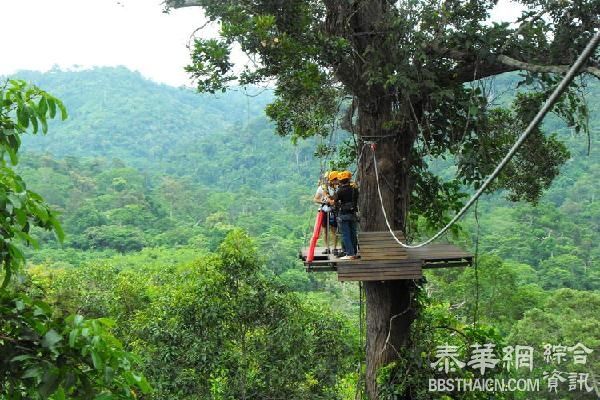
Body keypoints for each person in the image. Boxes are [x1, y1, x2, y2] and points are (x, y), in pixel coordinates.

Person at [330, 170, 358, 260]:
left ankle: (350, 254)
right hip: (353, 213)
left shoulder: (340, 191)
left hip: (344, 214)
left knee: (346, 234)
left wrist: (328, 198)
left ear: (341, 181)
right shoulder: (355, 189)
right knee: (353, 233)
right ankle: (354, 252)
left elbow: (333, 202)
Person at [313, 171, 339, 254]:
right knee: (325, 230)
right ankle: (327, 248)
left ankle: (334, 248)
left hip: (334, 210)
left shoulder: (336, 187)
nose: (327, 180)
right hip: (324, 210)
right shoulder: (322, 188)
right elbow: (315, 199)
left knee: (334, 230)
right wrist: (323, 202)